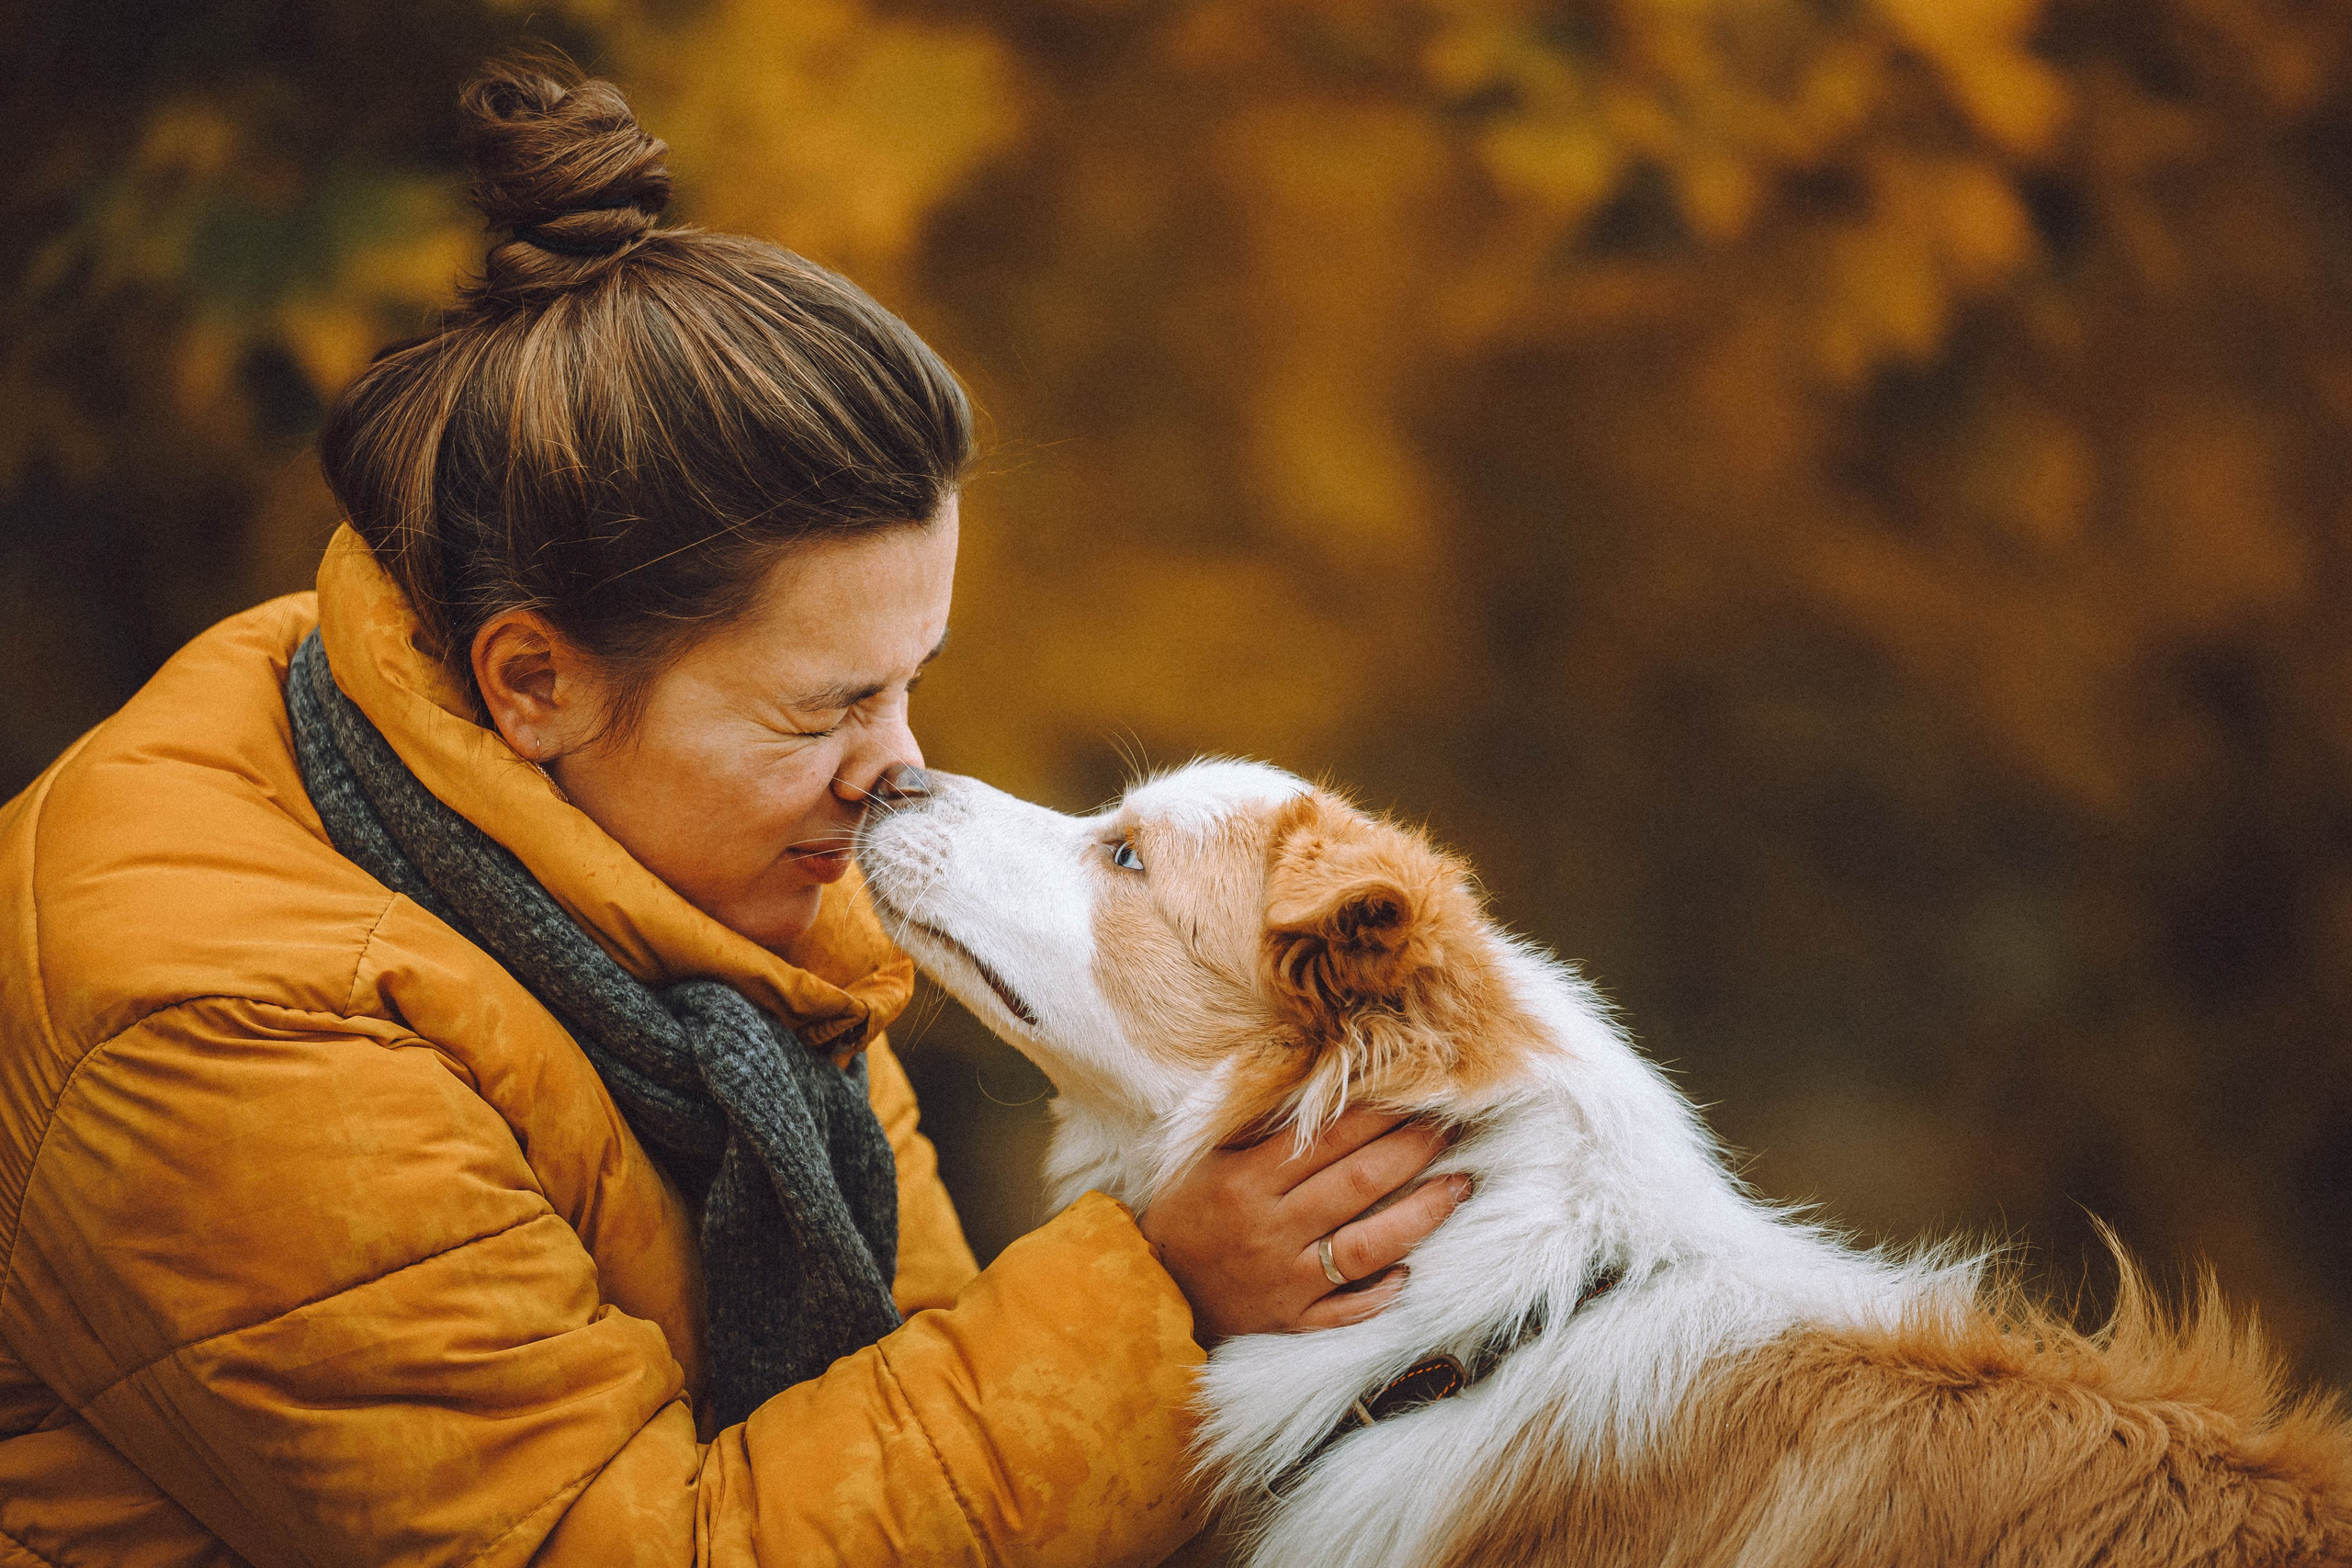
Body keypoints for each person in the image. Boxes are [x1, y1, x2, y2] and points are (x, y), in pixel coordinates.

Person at [0, 58, 1466, 1565]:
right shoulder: (218, 1019)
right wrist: (1163, 1304)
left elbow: (921, 1374)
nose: (896, 765)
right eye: (825, 706)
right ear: (533, 683)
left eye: (908, 684)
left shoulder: (722, 890)